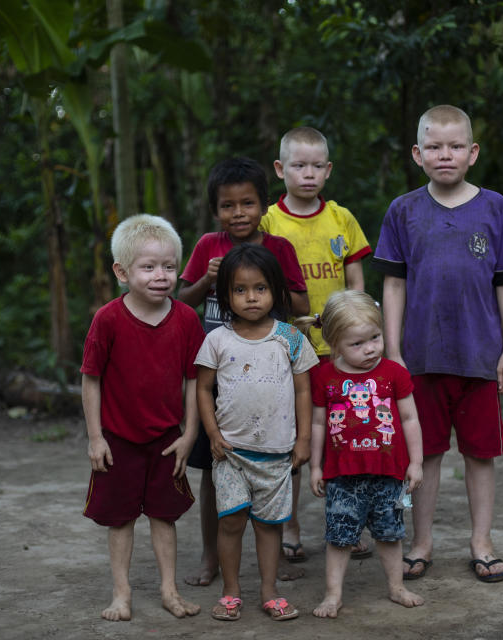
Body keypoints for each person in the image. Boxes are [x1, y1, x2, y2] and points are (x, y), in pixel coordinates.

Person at [371, 105, 503, 583]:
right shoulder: (403, 210)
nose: (446, 155)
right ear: (418, 154)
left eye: (455, 146)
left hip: (481, 357)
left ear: (472, 153)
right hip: (420, 357)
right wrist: (393, 352)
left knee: (480, 452)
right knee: (425, 453)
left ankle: (481, 542)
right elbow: (394, 286)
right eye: (435, 147)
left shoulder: (495, 207)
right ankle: (421, 543)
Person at [178, 157, 309, 587]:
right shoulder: (206, 247)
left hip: (270, 381)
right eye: (228, 205)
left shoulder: (280, 249)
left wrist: (267, 283)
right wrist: (209, 282)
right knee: (215, 472)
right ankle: (209, 554)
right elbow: (184, 301)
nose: (239, 214)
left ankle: (278, 557)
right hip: (217, 380)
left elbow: (302, 306)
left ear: (263, 205)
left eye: (248, 204)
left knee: (277, 469)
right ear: (215, 209)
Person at [80, 214, 204, 622]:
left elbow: (193, 380)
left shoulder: (186, 319)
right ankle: (122, 594)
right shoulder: (108, 319)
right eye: (148, 267)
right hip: (118, 439)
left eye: (169, 266)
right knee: (120, 520)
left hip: (167, 438)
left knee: (164, 516)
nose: (160, 276)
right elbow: (91, 380)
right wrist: (96, 437)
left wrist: (189, 435)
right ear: (122, 271)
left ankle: (169, 591)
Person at [260, 125, 373, 562]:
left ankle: (347, 522)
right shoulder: (269, 221)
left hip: (339, 350)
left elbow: (357, 279)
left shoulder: (341, 218)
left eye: (316, 166)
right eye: (297, 165)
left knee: (344, 437)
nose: (307, 174)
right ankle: (289, 526)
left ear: (328, 170)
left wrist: (359, 329)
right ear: (280, 169)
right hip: (289, 349)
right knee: (291, 439)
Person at [195, 244, 319, 622]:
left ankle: (269, 591)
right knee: (231, 521)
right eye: (240, 290)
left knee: (269, 526)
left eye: (260, 288)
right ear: (225, 295)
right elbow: (202, 389)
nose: (250, 297)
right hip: (231, 453)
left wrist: (303, 439)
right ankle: (231, 592)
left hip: (277, 454)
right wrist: (213, 435)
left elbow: (303, 390)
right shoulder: (218, 339)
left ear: (276, 291)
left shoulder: (290, 338)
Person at [300, 290, 425, 618]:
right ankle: (333, 595)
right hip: (342, 477)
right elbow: (317, 424)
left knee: (390, 533)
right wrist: (315, 466)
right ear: (334, 344)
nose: (370, 348)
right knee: (339, 537)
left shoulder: (394, 374)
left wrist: (416, 462)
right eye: (358, 344)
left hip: (389, 473)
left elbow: (410, 418)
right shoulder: (324, 377)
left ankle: (396, 587)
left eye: (375, 337)